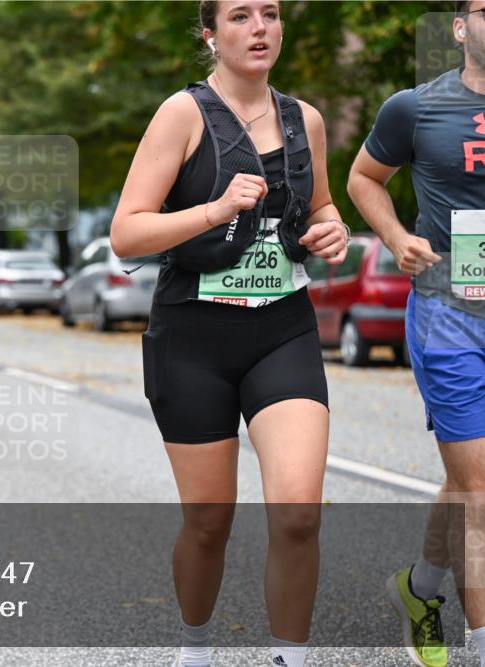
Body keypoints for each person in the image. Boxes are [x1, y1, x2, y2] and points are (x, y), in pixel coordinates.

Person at [109, 2, 349, 665]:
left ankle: (287, 658)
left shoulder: (308, 120)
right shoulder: (181, 115)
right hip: (193, 338)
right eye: (240, 15)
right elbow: (127, 231)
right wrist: (213, 210)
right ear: (210, 34)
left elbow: (322, 204)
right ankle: (195, 647)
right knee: (210, 521)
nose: (260, 27)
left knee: (299, 512)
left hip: (284, 330)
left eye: (270, 13)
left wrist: (333, 228)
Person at [347, 3, 485, 665]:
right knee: (482, 489)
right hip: (448, 314)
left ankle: (421, 587)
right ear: (459, 26)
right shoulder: (415, 107)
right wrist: (398, 236)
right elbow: (363, 178)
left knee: (468, 480)